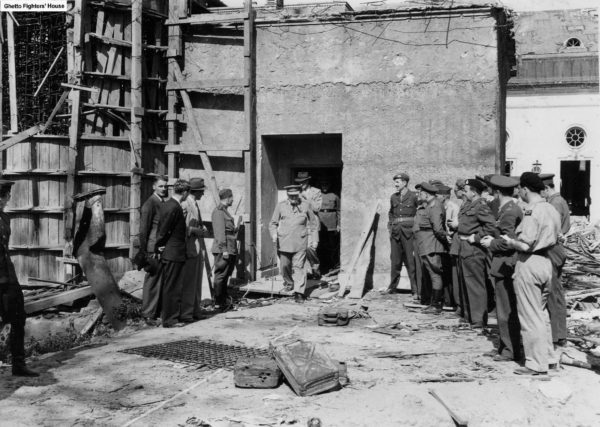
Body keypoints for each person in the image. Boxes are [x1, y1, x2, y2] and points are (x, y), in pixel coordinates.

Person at [500, 172, 561, 375]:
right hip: (546, 262)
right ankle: (550, 358)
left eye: (520, 189)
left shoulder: (532, 211)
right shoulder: (551, 208)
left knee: (529, 315)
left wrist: (509, 241)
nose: (519, 192)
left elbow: (526, 244)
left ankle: (536, 363)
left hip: (530, 262)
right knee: (542, 314)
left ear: (525, 189)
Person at [480, 175, 523, 362]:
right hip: (502, 264)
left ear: (497, 191)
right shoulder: (506, 209)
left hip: (506, 264)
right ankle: (504, 346)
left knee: (506, 310)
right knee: (503, 309)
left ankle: (510, 350)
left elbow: (508, 243)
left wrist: (491, 243)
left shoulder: (509, 212)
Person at [0, 180, 38, 377]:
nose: (7, 199)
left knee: (18, 318)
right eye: (5, 195)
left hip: (8, 276)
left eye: (5, 195)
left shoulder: (5, 218)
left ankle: (18, 364)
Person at [456, 178, 496, 327]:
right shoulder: (468, 205)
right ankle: (469, 316)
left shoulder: (481, 206)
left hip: (473, 249)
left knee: (475, 283)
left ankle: (478, 318)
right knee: (465, 282)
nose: (464, 193)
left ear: (473, 192)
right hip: (464, 246)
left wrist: (477, 238)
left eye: (466, 191)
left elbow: (491, 226)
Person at [269, 184, 319, 303]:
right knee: (284, 266)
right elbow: (272, 223)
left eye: (295, 195)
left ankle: (299, 292)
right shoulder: (281, 206)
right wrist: (274, 234)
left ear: (299, 194)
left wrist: (315, 239)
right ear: (287, 195)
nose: (293, 198)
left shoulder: (306, 205)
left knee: (299, 267)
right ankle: (289, 282)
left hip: (300, 242)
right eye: (291, 196)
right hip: (284, 242)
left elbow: (314, 224)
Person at [540, 173, 569, 347]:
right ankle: (558, 334)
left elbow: (551, 230)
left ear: (546, 189)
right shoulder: (558, 201)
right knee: (555, 293)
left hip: (552, 250)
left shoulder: (555, 203)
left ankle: (558, 335)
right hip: (555, 250)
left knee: (554, 294)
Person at [155, 179, 189, 328]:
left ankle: (170, 317)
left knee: (171, 285)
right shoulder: (174, 207)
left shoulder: (168, 204)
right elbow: (164, 229)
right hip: (173, 252)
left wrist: (160, 245)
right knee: (172, 287)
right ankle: (170, 320)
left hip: (171, 251)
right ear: (185, 192)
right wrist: (159, 245)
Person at [413, 182, 448, 313]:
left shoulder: (435, 206)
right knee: (432, 274)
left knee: (435, 274)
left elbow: (438, 229)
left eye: (420, 193)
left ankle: (436, 304)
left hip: (432, 244)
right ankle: (434, 303)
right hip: (427, 244)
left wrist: (445, 242)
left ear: (426, 194)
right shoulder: (430, 205)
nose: (419, 195)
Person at [138, 175, 169, 325]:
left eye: (165, 186)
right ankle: (148, 314)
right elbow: (144, 230)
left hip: (162, 248)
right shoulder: (150, 204)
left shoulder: (162, 202)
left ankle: (156, 312)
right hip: (152, 249)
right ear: (154, 187)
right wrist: (144, 251)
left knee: (160, 281)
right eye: (161, 186)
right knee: (152, 281)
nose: (164, 189)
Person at [178, 177, 208, 322]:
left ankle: (196, 310)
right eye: (201, 191)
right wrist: (196, 230)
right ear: (195, 191)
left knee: (196, 281)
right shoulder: (185, 204)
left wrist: (201, 227)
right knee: (189, 282)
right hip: (189, 246)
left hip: (196, 246)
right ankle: (186, 313)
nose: (203, 194)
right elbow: (181, 227)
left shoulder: (194, 204)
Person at [387, 173, 418, 297]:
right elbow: (391, 213)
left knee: (411, 261)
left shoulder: (414, 196)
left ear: (405, 183)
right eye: (395, 182)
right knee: (395, 261)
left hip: (409, 233)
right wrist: (390, 227)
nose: (395, 184)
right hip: (396, 232)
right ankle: (392, 287)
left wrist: (415, 229)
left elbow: (419, 213)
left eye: (398, 182)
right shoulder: (393, 197)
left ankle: (415, 289)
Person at [211, 188, 237, 311]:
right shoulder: (219, 212)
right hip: (223, 249)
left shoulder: (225, 211)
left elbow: (228, 231)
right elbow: (220, 233)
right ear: (227, 198)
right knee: (220, 276)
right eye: (232, 197)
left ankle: (222, 301)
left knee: (225, 275)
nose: (233, 200)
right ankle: (218, 302)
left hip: (230, 248)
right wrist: (224, 250)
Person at [296, 172, 322, 278]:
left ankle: (315, 268)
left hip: (312, 225)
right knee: (301, 249)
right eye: (299, 182)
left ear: (307, 181)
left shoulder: (316, 191)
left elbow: (317, 208)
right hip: (301, 224)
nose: (301, 184)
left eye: (303, 182)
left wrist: (306, 199)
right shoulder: (296, 193)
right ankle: (307, 273)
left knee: (311, 248)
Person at [318, 179, 340, 273]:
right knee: (320, 246)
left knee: (331, 246)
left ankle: (332, 266)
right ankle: (322, 267)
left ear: (330, 185)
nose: (324, 186)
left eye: (326, 184)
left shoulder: (335, 196)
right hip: (320, 224)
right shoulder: (317, 195)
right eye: (323, 184)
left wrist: (339, 224)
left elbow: (339, 211)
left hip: (331, 224)